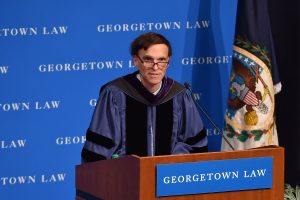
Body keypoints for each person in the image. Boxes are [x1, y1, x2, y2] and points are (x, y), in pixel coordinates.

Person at [81, 32, 208, 163]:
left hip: (168, 177)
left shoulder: (179, 96)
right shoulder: (115, 95)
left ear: (168, 62)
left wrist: (171, 162)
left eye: (161, 60)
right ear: (136, 61)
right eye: (148, 59)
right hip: (126, 178)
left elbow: (195, 144)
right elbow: (99, 150)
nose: (155, 67)